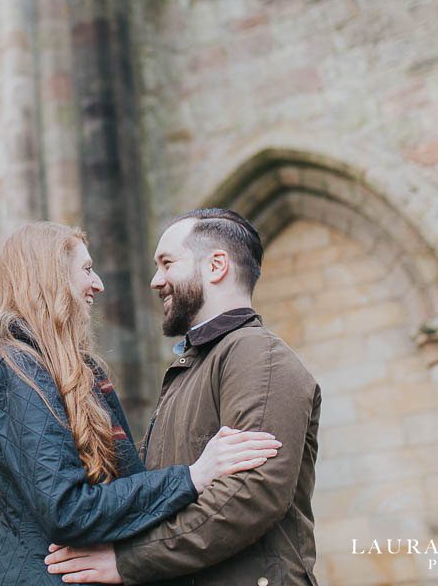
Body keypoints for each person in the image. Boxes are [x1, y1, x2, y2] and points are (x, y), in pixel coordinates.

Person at [0, 221, 282, 584]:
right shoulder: (16, 366)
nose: (98, 284)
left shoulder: (74, 370)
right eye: (86, 269)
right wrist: (193, 476)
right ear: (49, 275)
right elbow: (67, 509)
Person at [45, 208, 322, 585]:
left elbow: (251, 494)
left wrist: (128, 561)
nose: (156, 280)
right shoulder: (189, 368)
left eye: (167, 263)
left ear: (216, 266)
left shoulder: (258, 354)